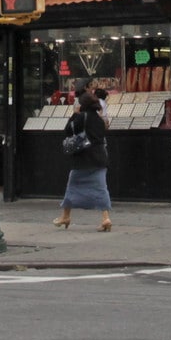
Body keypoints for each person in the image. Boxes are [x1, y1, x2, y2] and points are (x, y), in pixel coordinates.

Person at [54, 83, 112, 233]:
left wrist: (74, 114)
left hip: (83, 158)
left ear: (83, 104)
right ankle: (106, 218)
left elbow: (68, 130)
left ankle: (65, 216)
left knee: (72, 186)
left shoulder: (81, 117)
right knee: (101, 188)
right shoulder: (99, 119)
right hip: (100, 158)